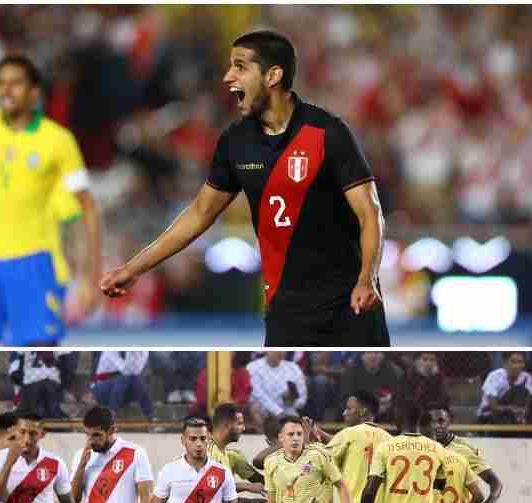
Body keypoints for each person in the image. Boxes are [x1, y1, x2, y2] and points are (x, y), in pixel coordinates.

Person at [101, 31, 388, 346]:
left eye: (240, 67)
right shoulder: (235, 142)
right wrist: (134, 269)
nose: (228, 77)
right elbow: (199, 213)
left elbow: (369, 212)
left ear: (273, 76)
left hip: (350, 305)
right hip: (286, 312)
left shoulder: (327, 133)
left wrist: (366, 279)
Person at [0, 6, 103, 346]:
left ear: (34, 92)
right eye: (1, 83)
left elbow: (85, 207)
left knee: (40, 349)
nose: (6, 90)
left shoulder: (58, 140)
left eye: (16, 83)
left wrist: (90, 278)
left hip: (32, 260)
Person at [477, 352, 532, 424]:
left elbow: (527, 404)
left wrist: (522, 411)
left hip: (515, 416)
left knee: (522, 391)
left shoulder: (527, 377)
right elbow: (493, 406)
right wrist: (511, 408)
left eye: (520, 362)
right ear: (505, 363)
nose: (516, 366)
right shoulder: (494, 376)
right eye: (513, 362)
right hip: (490, 414)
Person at [89, 352, 152, 418]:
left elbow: (137, 371)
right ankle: (111, 413)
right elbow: (125, 370)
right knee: (125, 377)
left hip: (121, 391)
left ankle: (150, 415)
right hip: (101, 389)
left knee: (134, 379)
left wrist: (134, 354)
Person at [246, 352, 307, 420]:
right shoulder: (253, 367)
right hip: (263, 412)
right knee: (255, 407)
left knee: (294, 419)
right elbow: (258, 395)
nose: (280, 352)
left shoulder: (293, 368)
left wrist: (291, 401)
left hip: (288, 412)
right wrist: (278, 412)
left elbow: (302, 399)